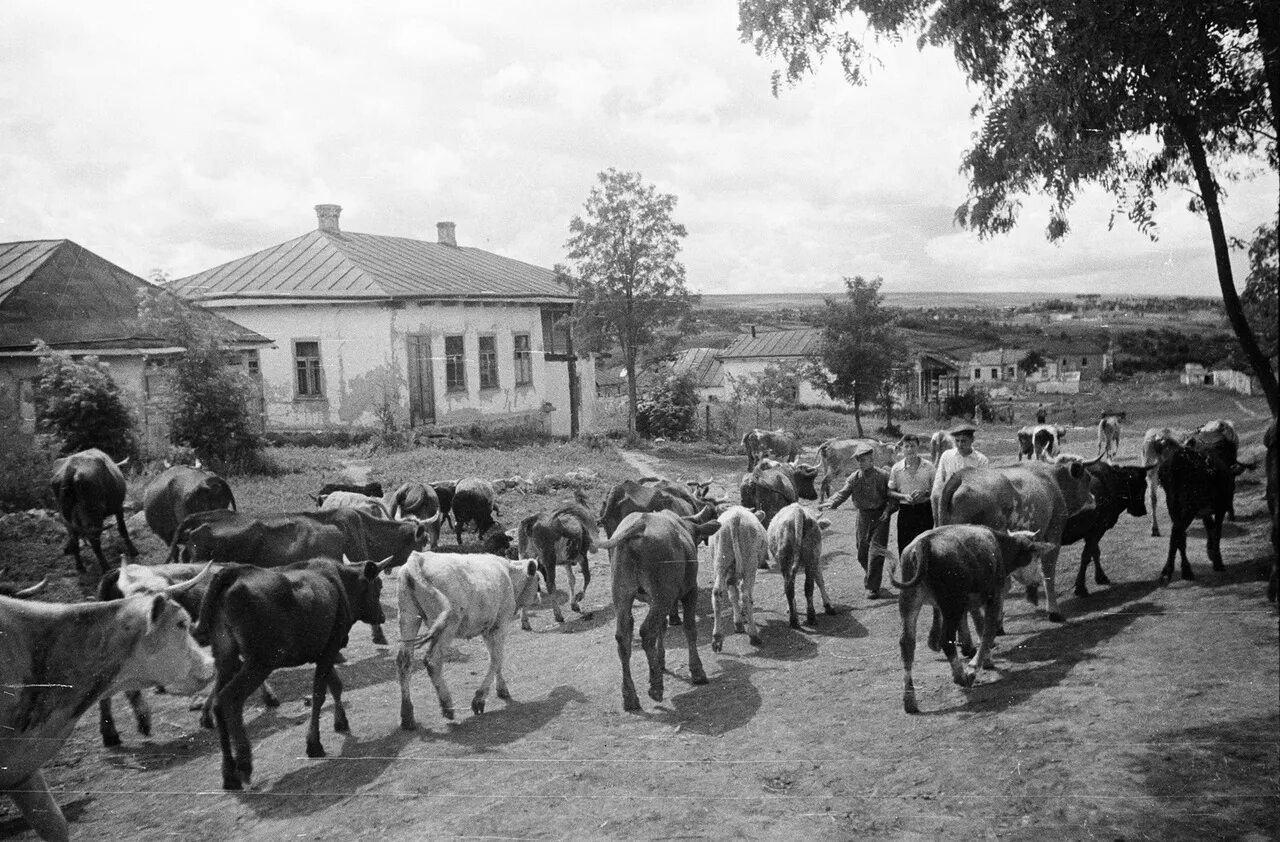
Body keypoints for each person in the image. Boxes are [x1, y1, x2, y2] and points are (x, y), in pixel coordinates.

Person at [819, 442, 893, 599]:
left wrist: (888, 511)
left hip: (880, 516)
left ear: (872, 460)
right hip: (863, 516)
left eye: (864, 460)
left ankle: (872, 587)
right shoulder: (854, 478)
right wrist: (832, 503)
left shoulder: (883, 476)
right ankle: (873, 576)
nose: (861, 463)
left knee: (876, 551)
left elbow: (892, 498)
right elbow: (843, 493)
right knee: (861, 552)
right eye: (859, 460)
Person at [930, 422, 990, 523]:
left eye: (963, 441)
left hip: (971, 505)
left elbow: (983, 488)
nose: (960, 444)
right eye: (957, 441)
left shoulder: (981, 460)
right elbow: (939, 481)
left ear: (972, 440)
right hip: (948, 503)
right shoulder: (947, 456)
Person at [888, 434, 935, 555]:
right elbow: (890, 491)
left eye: (913, 446)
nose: (910, 449)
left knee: (925, 547)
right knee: (905, 548)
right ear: (902, 448)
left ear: (918, 447)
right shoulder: (896, 468)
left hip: (924, 511)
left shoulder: (929, 467)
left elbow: (936, 489)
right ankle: (907, 574)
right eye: (906, 446)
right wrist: (904, 497)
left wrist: (925, 493)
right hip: (905, 511)